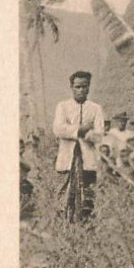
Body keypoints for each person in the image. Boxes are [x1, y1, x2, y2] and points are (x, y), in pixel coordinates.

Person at [52, 71, 105, 222]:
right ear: (71, 87)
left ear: (89, 88)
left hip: (88, 160)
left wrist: (86, 134)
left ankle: (85, 227)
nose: (81, 90)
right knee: (64, 196)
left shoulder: (96, 109)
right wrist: (80, 129)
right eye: (78, 87)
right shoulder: (62, 106)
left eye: (84, 87)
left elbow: (100, 135)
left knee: (88, 198)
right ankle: (65, 226)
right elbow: (58, 129)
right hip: (68, 159)